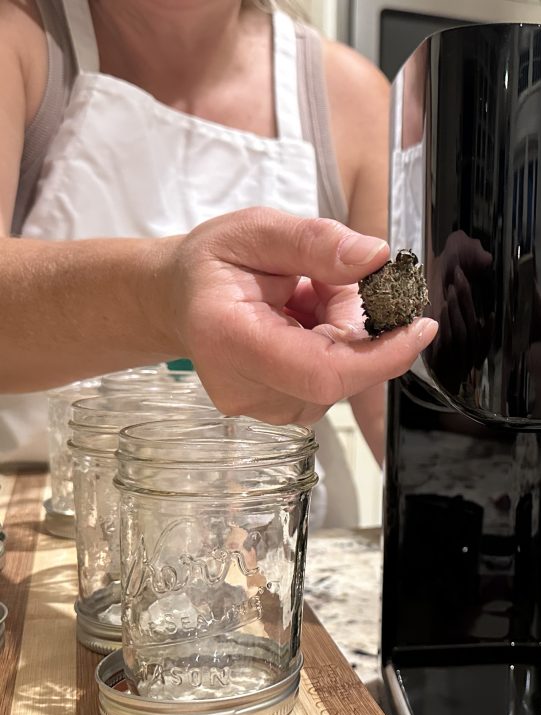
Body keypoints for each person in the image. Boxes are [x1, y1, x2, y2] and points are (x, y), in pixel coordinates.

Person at [0, 0, 437, 467]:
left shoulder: (353, 95)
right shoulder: (19, 39)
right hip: (59, 515)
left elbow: (390, 398)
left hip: (277, 515)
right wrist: (165, 300)